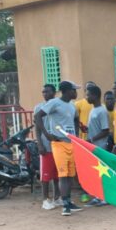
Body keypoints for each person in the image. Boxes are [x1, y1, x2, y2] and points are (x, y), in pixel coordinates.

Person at [34, 80, 82, 217]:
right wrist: (47, 134)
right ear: (67, 91)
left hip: (70, 143)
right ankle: (65, 205)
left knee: (69, 175)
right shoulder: (54, 103)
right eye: (74, 90)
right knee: (62, 174)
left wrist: (76, 136)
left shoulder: (72, 106)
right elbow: (38, 116)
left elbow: (76, 121)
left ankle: (67, 200)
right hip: (59, 143)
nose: (76, 93)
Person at [33, 82, 60, 210]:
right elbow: (37, 129)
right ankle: (45, 199)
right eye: (43, 92)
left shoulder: (58, 106)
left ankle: (57, 197)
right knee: (45, 175)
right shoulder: (39, 108)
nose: (45, 94)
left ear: (54, 93)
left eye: (48, 91)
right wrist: (40, 144)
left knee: (57, 174)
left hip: (59, 145)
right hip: (46, 146)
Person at [85, 85, 111, 206]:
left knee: (102, 172)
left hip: (100, 146)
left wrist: (92, 139)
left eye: (88, 94)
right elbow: (95, 128)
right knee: (96, 173)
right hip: (94, 146)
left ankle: (105, 198)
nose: (86, 97)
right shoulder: (93, 110)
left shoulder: (102, 111)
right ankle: (97, 196)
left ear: (95, 96)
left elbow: (105, 130)